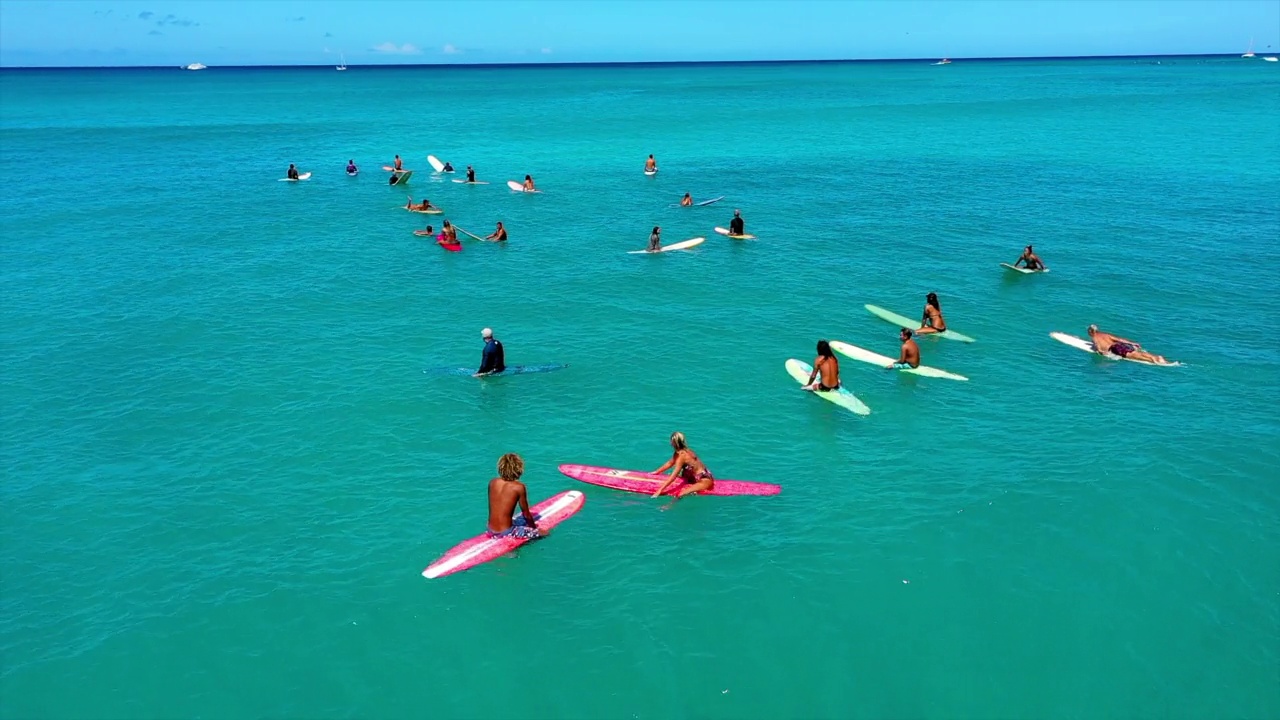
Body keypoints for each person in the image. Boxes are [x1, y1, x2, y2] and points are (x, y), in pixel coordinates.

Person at [485, 453, 546, 540]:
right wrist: (534, 529)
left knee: (514, 520)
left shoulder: (492, 482)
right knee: (544, 533)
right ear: (518, 470)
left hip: (490, 529)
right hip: (507, 532)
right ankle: (511, 544)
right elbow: (526, 515)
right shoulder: (519, 487)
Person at [651, 431, 714, 498]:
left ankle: (668, 506)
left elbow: (673, 476)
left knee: (681, 493)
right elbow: (670, 463)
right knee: (683, 473)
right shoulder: (685, 451)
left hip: (704, 480)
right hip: (699, 476)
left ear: (673, 443)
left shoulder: (681, 456)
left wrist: (660, 490)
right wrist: (656, 472)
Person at [1086, 324, 1170, 364]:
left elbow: (1098, 346)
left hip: (1116, 349)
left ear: (1090, 331)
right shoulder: (1106, 334)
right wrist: (1132, 343)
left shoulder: (1094, 338)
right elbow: (1119, 339)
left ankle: (1151, 360)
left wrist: (1101, 352)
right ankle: (1156, 357)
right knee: (1137, 353)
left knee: (1135, 356)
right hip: (1121, 345)